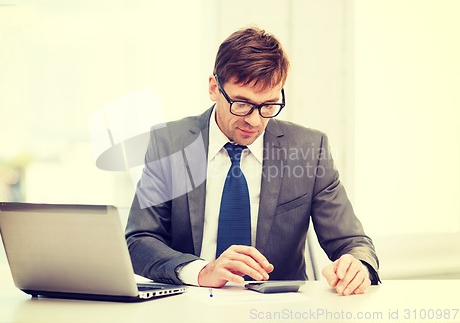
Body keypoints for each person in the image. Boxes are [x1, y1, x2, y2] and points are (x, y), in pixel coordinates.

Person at [125, 26, 380, 296]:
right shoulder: (169, 143)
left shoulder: (309, 149)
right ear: (214, 88)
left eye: (269, 105)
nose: (255, 121)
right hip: (191, 303)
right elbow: (139, 240)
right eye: (242, 104)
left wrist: (357, 266)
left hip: (278, 308)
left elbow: (353, 242)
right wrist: (200, 271)